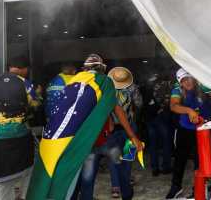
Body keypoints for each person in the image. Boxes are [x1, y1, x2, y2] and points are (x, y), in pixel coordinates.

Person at [26, 54, 142, 200]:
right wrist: (133, 136)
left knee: (87, 179)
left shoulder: (74, 82)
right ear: (102, 69)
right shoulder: (104, 82)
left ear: (84, 68)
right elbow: (117, 110)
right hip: (107, 138)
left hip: (86, 142)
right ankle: (127, 194)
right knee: (120, 166)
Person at [0, 56, 43, 200]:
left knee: (1, 177)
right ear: (25, 70)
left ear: (10, 68)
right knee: (32, 166)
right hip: (19, 138)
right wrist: (39, 94)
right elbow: (36, 108)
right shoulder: (25, 83)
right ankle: (24, 196)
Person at [165, 68, 211, 199]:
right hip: (185, 128)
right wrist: (188, 110)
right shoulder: (177, 90)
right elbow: (173, 105)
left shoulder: (201, 86)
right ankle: (176, 186)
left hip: (203, 128)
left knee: (201, 160)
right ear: (179, 83)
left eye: (187, 78)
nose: (186, 82)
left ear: (192, 77)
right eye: (183, 80)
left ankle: (199, 188)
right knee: (180, 158)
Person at [107, 67, 143, 198]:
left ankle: (115, 188)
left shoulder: (107, 86)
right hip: (128, 125)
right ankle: (126, 184)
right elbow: (139, 103)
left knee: (114, 156)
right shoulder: (131, 87)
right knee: (128, 155)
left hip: (111, 127)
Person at [142, 65, 173, 177]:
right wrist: (160, 109)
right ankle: (166, 167)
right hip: (160, 116)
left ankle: (155, 169)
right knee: (166, 141)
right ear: (161, 71)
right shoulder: (163, 83)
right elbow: (168, 99)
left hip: (149, 116)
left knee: (153, 143)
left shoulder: (146, 82)